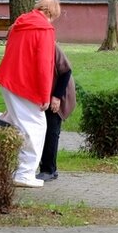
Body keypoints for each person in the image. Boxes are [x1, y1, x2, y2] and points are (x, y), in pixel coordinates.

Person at [0, 0, 59, 188]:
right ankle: (24, 173)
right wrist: (44, 95)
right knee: (36, 127)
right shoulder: (45, 29)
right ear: (49, 13)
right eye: (53, 17)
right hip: (25, 84)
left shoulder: (19, 24)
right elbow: (44, 64)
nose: (52, 21)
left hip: (9, 79)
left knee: (16, 122)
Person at [36, 44, 76, 182]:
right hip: (43, 94)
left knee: (51, 131)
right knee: (41, 130)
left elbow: (66, 71)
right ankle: (44, 167)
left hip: (58, 93)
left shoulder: (51, 46)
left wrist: (56, 97)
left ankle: (49, 170)